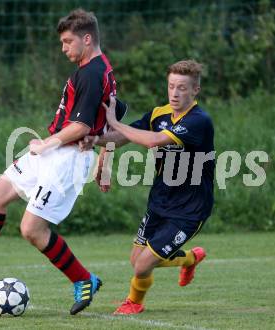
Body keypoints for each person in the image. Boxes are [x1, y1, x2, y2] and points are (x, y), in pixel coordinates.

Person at [0, 8, 126, 315]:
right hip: (55, 153)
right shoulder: (101, 70)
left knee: (32, 230)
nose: (63, 48)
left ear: (86, 39)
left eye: (67, 41)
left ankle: (85, 278)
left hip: (66, 159)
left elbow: (84, 127)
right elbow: (116, 114)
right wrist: (106, 157)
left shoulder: (91, 73)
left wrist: (47, 143)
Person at [80, 60, 214, 315]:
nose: (175, 93)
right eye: (171, 86)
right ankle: (190, 258)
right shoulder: (158, 114)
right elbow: (122, 138)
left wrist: (115, 122)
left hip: (190, 209)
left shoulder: (199, 121)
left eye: (182, 88)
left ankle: (134, 302)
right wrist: (95, 139)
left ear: (195, 90)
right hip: (161, 200)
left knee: (142, 266)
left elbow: (154, 140)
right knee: (136, 260)